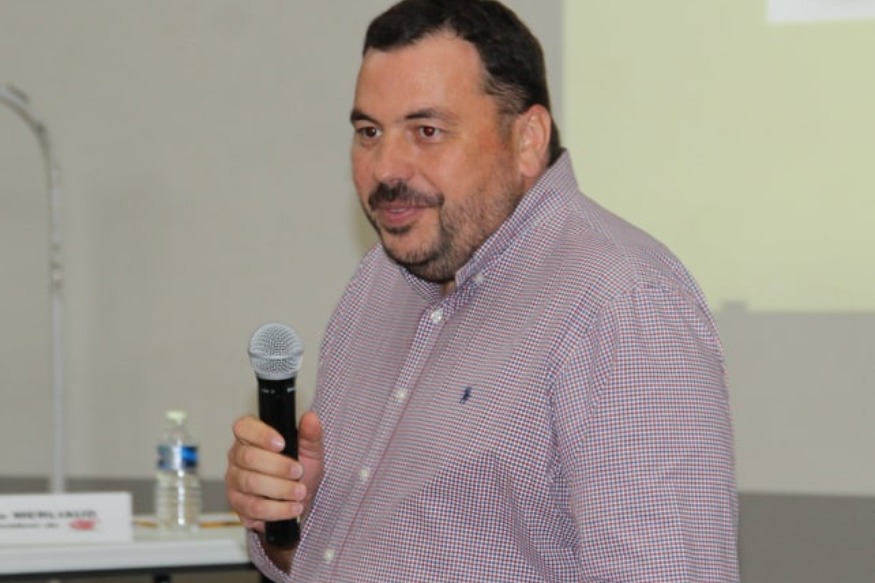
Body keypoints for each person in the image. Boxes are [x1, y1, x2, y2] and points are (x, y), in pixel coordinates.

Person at [225, 0, 739, 581]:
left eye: (427, 131)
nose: (386, 168)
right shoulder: (379, 281)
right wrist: (294, 520)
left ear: (528, 139)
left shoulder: (620, 302)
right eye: (369, 132)